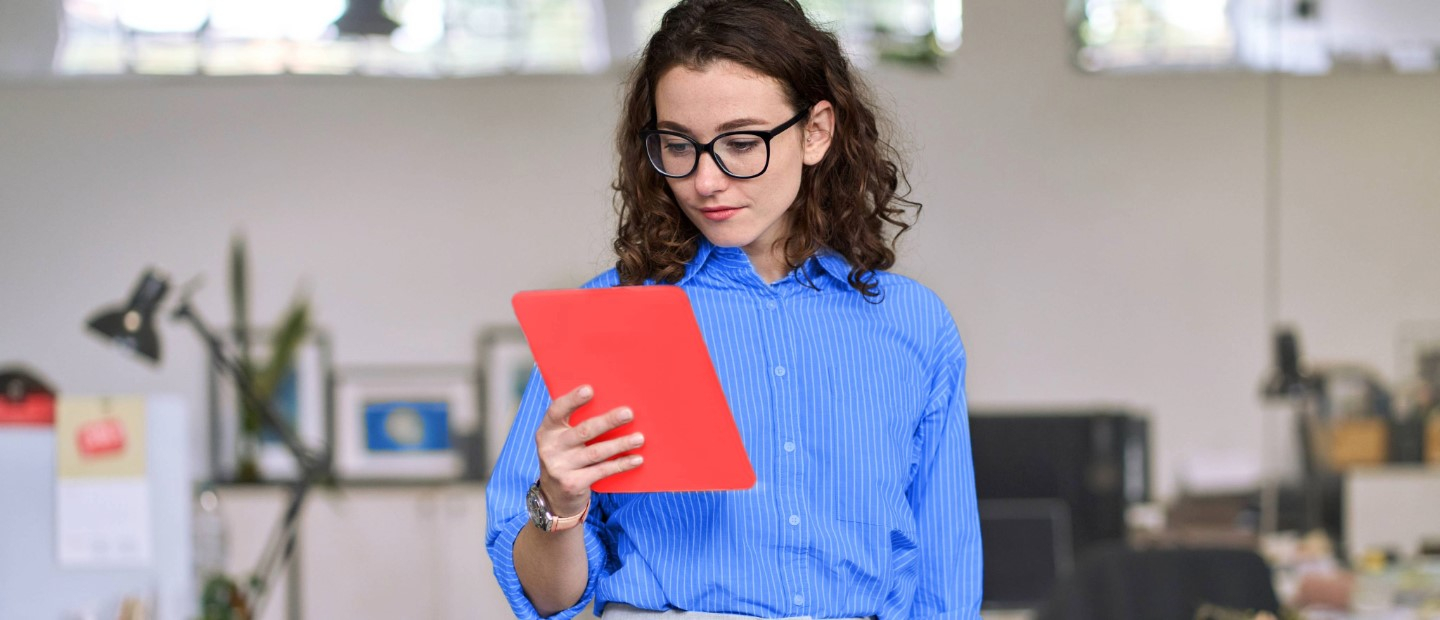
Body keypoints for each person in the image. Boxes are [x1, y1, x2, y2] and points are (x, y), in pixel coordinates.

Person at [485, 1, 982, 618]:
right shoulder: (610, 315)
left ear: (816, 131)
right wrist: (558, 501)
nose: (705, 181)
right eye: (677, 146)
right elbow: (544, 598)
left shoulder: (914, 325)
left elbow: (945, 570)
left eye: (741, 143)